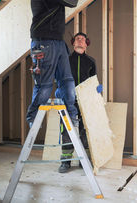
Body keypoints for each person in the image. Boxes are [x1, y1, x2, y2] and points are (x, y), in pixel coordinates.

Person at [26, 0, 80, 129]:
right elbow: (71, 1)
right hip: (44, 43)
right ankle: (33, 118)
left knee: (67, 82)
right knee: (45, 86)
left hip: (56, 42)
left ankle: (72, 117)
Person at [56, 32, 102, 173]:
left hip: (85, 102)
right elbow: (58, 78)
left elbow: (93, 82)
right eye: (77, 39)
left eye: (82, 39)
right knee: (66, 131)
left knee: (84, 130)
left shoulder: (91, 62)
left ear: (86, 43)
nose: (80, 41)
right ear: (73, 43)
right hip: (67, 101)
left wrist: (98, 90)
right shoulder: (65, 60)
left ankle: (84, 160)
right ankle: (66, 162)